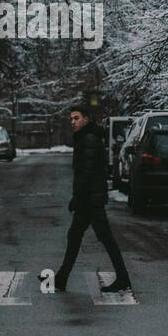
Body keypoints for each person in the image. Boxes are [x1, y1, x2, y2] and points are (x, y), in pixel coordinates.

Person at [48, 104, 132, 293]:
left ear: (86, 119)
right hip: (88, 199)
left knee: (106, 238)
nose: (73, 122)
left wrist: (77, 198)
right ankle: (61, 278)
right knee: (74, 236)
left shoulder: (89, 139)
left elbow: (87, 172)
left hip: (91, 200)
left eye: (76, 118)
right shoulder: (85, 138)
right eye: (71, 119)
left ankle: (123, 278)